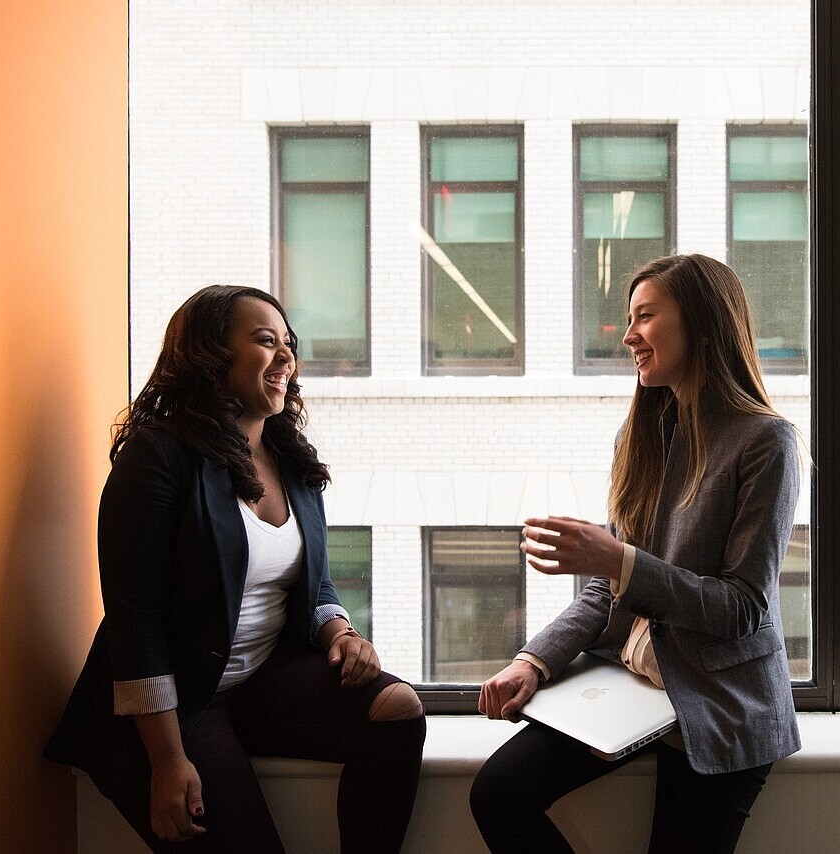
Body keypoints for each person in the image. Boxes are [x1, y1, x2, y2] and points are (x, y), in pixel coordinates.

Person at [45, 285, 426, 853]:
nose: (286, 357)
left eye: (289, 345)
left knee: (397, 710)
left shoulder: (290, 460)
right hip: (168, 711)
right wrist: (168, 761)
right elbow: (136, 621)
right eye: (265, 341)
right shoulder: (157, 456)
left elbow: (313, 584)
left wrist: (340, 631)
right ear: (209, 354)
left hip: (253, 680)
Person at [470, 254, 801, 853]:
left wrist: (617, 561)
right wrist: (533, 661)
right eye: (629, 319)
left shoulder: (765, 441)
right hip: (635, 685)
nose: (627, 336)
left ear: (701, 323)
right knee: (497, 792)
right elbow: (607, 589)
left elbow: (742, 607)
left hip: (720, 702)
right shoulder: (643, 434)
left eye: (645, 317)